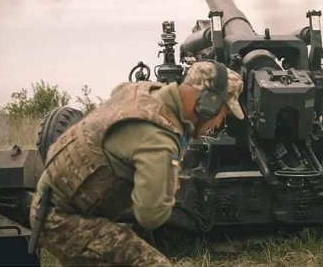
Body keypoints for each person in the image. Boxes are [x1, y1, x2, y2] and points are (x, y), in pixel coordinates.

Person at [30, 61, 244, 266]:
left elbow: (119, 90)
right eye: (223, 114)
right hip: (60, 220)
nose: (218, 124)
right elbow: (151, 215)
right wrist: (169, 181)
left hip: (56, 200)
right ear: (208, 103)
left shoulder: (143, 90)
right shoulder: (159, 140)